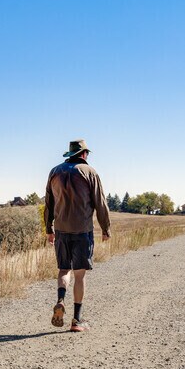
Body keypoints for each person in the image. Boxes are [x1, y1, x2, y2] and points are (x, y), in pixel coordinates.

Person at [44, 139, 111, 332]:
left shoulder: (55, 172)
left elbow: (48, 203)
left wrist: (49, 229)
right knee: (80, 275)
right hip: (82, 231)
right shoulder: (90, 172)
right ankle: (76, 321)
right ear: (83, 154)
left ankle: (60, 300)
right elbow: (100, 202)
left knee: (64, 270)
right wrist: (106, 228)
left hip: (61, 230)